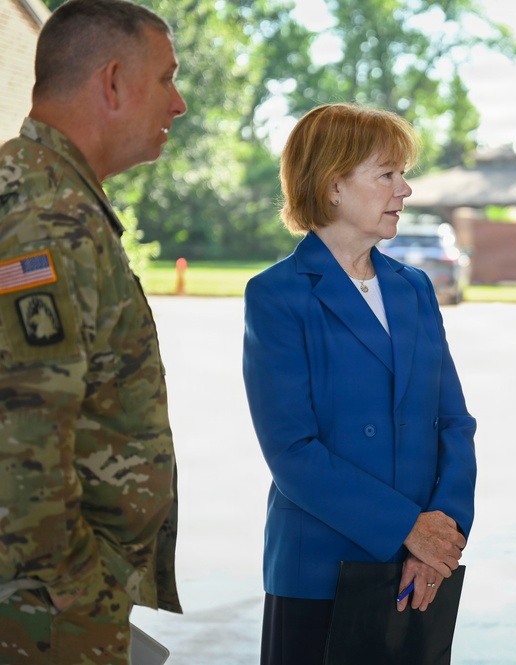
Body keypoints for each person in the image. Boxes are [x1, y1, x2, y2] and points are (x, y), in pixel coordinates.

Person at [242, 102, 477, 664]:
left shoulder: (414, 288)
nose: (406, 190)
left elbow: (454, 423)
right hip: (318, 572)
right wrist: (407, 529)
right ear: (333, 187)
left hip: (417, 572)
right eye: (388, 174)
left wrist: (441, 537)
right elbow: (292, 452)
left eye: (403, 174)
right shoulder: (277, 295)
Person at [0, 1, 187, 662]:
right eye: (166, 79)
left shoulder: (47, 192)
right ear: (112, 82)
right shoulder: (47, 213)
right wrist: (86, 594)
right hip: (44, 615)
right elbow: (20, 442)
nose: (179, 103)